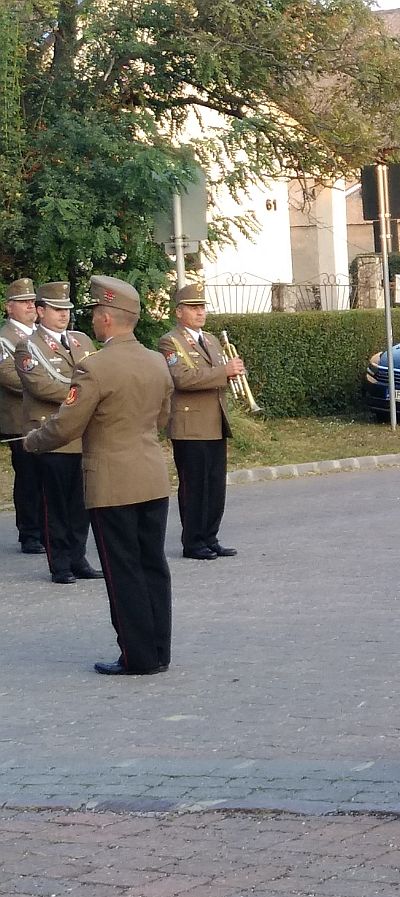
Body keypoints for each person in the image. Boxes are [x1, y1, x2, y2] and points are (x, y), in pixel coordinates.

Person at [24, 276, 173, 675]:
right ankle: (159, 651)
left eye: (95, 314)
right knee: (153, 564)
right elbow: (164, 418)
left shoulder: (95, 367)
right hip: (152, 475)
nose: (92, 321)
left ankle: (137, 656)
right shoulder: (157, 361)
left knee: (122, 570)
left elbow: (67, 425)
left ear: (107, 319)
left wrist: (32, 442)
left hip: (112, 483)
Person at [17, 282, 100, 584]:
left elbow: (98, 376)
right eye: (55, 309)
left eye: (66, 309)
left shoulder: (81, 341)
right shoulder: (29, 345)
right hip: (50, 433)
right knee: (56, 505)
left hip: (83, 434)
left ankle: (79, 559)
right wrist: (87, 394)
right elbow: (42, 387)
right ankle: (60, 564)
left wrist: (90, 392)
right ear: (40, 311)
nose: (63, 315)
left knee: (81, 504)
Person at [157, 283, 244, 562]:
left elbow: (215, 375)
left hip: (215, 421)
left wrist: (231, 374)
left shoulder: (212, 340)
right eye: (193, 308)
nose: (200, 312)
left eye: (202, 307)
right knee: (194, 486)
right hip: (190, 424)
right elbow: (181, 378)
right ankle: (193, 541)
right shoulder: (170, 342)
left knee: (215, 484)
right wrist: (223, 372)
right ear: (179, 311)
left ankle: (210, 536)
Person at [0, 279, 43, 555]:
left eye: (32, 301)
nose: (30, 306)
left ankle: (43, 527)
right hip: (19, 418)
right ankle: (30, 533)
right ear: (9, 307)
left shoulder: (42, 335)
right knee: (28, 477)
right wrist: (46, 385)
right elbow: (9, 377)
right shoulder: (6, 338)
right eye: (24, 302)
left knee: (45, 476)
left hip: (44, 418)